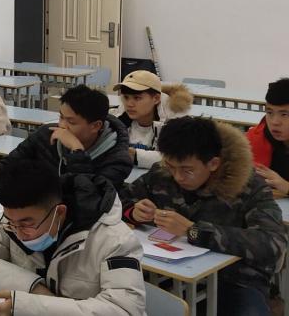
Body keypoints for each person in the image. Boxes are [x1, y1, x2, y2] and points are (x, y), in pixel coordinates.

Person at [121, 116, 287, 316]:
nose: (178, 177)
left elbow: (273, 244)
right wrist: (133, 212)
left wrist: (193, 230)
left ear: (213, 163)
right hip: (165, 275)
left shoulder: (248, 186)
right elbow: (118, 202)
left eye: (188, 170)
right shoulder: (162, 173)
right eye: (172, 167)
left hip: (235, 281)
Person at [0, 158, 146, 315]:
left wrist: (27, 305)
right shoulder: (13, 223)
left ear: (59, 212)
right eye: (11, 222)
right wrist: (34, 287)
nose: (19, 233)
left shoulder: (115, 241)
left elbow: (124, 310)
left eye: (27, 224)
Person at [0, 85, 131, 198]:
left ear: (96, 126)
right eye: (61, 117)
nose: (62, 126)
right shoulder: (45, 135)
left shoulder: (117, 159)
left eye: (71, 122)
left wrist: (76, 151)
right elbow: (9, 167)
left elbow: (88, 198)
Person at [111, 70, 192, 169]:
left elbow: (177, 157)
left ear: (156, 98)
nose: (129, 104)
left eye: (137, 98)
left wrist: (135, 155)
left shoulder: (176, 123)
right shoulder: (118, 119)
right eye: (126, 97)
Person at [248, 78, 289, 198]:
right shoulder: (253, 141)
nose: (275, 122)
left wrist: (287, 187)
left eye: (284, 114)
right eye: (269, 112)